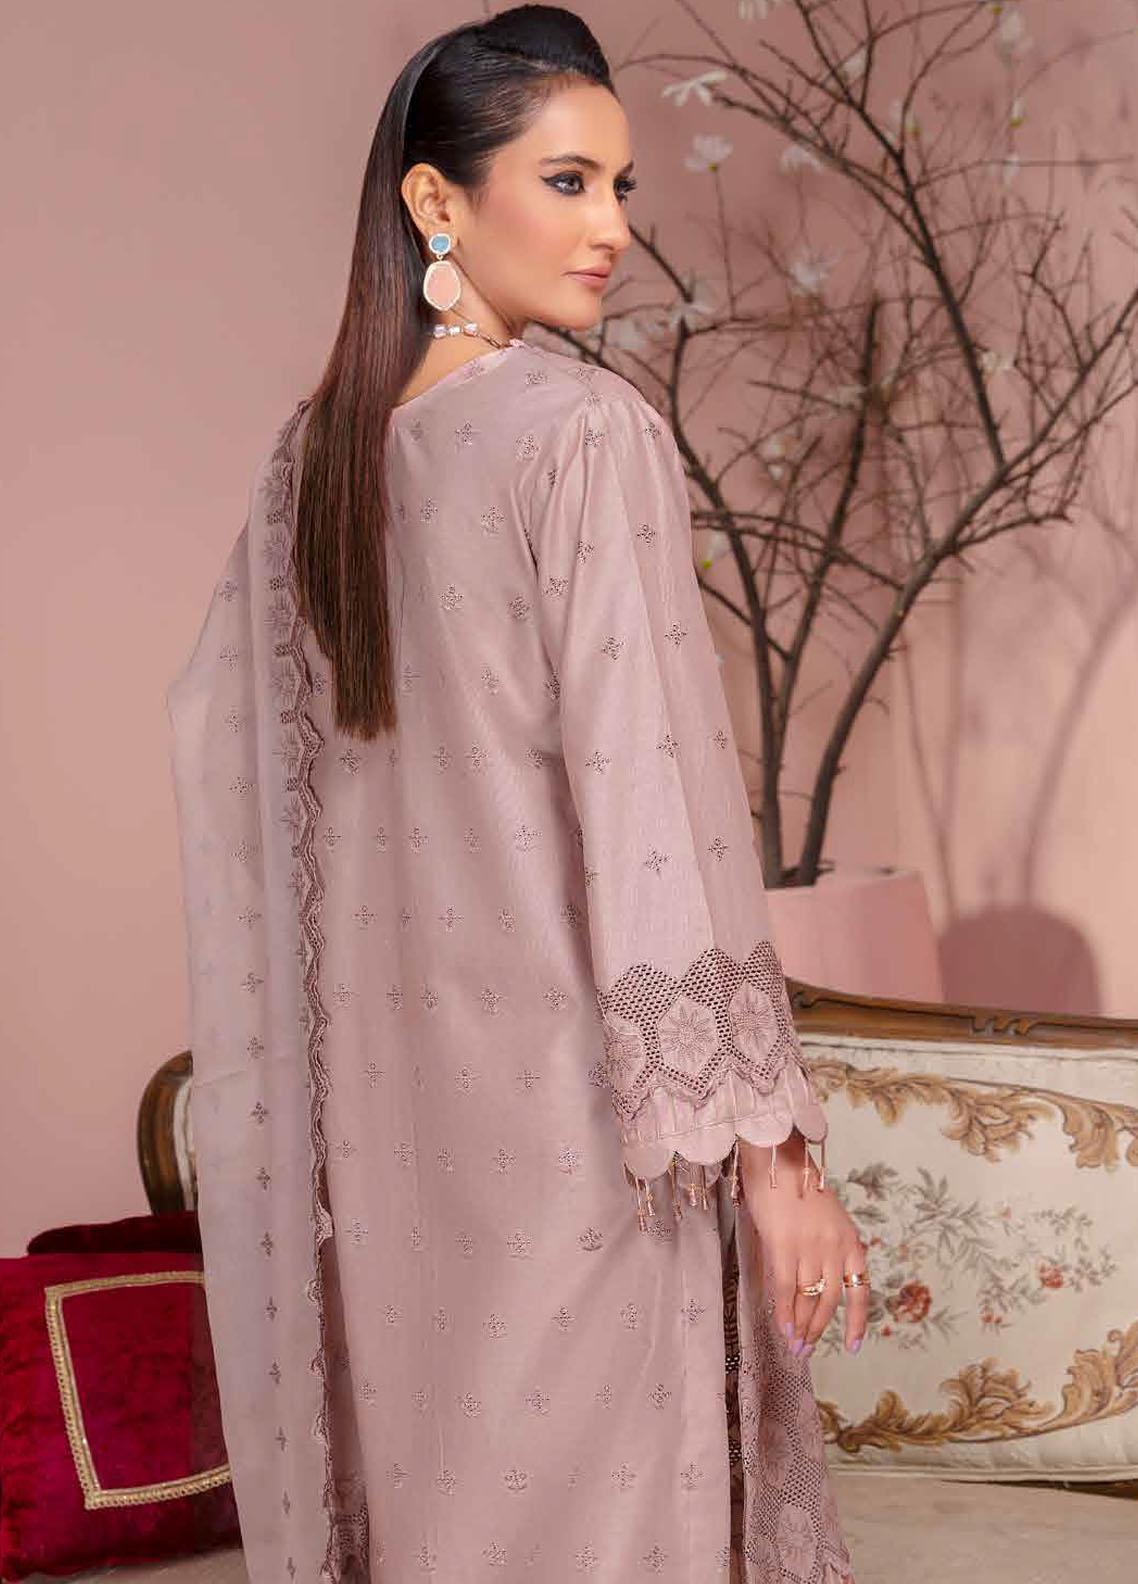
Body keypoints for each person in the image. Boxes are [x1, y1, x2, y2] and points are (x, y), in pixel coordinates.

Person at [167, 7, 870, 1580]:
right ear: (436, 200)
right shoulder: (585, 433)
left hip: (395, 1149)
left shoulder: (314, 457)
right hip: (579, 1138)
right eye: (565, 182)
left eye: (619, 188)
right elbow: (655, 813)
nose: (610, 227)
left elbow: (244, 779)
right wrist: (776, 1162)